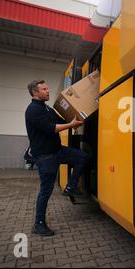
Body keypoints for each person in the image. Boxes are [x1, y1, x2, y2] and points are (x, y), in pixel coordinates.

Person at [25, 79, 90, 236]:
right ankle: (39, 224)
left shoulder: (46, 108)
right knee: (46, 190)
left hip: (57, 151)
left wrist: (75, 121)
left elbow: (60, 121)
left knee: (82, 157)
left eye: (48, 88)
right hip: (45, 157)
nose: (48, 91)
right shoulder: (33, 110)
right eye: (44, 89)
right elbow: (51, 128)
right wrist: (70, 125)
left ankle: (71, 187)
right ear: (35, 93)